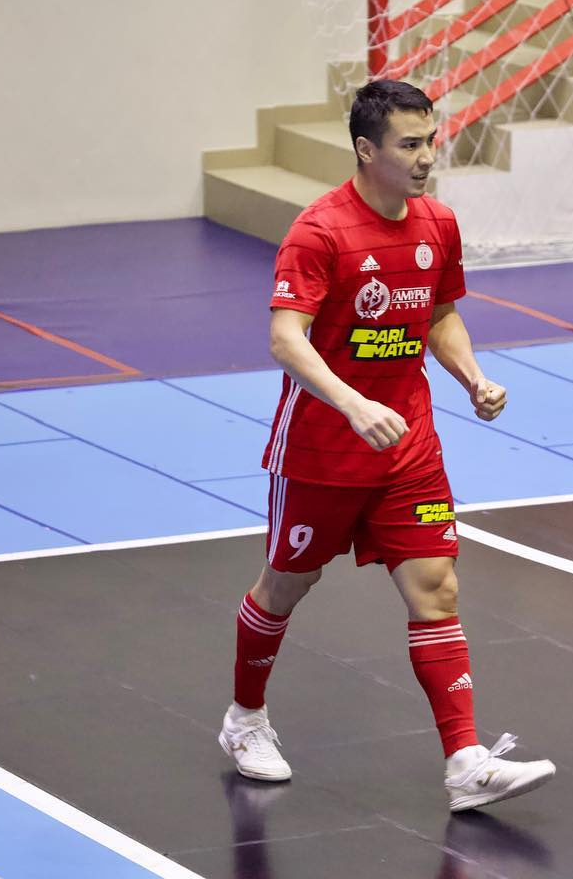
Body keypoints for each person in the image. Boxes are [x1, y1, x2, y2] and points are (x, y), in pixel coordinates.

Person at [219, 79, 555, 811]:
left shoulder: (438, 224)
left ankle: (465, 762)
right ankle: (244, 720)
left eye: (431, 140)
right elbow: (285, 339)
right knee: (286, 585)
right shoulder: (319, 232)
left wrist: (473, 377)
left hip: (408, 447)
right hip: (323, 451)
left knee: (437, 589)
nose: (427, 156)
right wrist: (352, 403)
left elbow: (439, 315)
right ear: (367, 150)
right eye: (410, 144)